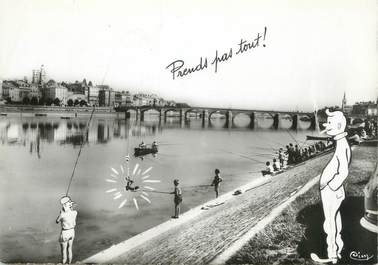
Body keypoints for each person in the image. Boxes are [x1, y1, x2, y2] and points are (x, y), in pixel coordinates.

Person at [315, 109, 351, 264]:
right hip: (332, 191)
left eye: (329, 123)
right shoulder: (341, 143)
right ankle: (337, 251)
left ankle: (332, 256)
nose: (326, 126)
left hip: (332, 192)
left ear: (338, 125)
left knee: (330, 223)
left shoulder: (342, 145)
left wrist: (330, 186)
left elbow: (343, 172)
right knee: (334, 222)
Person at [56, 196, 78, 264]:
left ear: (64, 205)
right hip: (72, 231)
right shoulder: (75, 213)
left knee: (64, 250)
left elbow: (57, 221)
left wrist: (61, 212)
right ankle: (70, 263)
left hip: (65, 232)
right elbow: (71, 209)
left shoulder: (62, 215)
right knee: (69, 249)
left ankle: (63, 263)